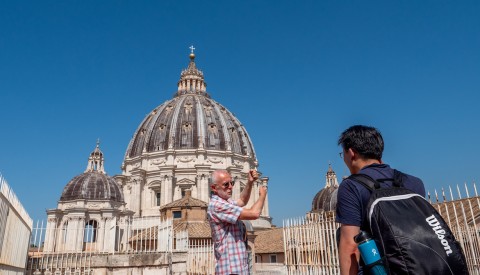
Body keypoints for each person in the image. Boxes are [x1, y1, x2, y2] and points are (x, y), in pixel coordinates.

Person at [335, 125, 425, 275]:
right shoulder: (414, 182)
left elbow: (351, 245)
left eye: (342, 154)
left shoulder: (351, 186)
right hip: (420, 267)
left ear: (351, 153)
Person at [207, 169, 267, 275]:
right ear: (214, 188)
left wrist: (249, 182)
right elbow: (254, 214)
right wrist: (262, 195)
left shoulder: (226, 202)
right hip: (230, 271)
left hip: (238, 269)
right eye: (226, 184)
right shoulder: (217, 205)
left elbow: (242, 200)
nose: (230, 187)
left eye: (232, 183)